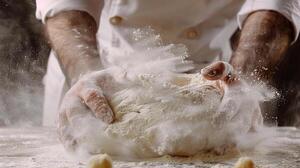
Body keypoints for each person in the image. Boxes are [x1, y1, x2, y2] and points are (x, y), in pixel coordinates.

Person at [35, 0, 300, 127]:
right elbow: (66, 7)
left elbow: (274, 6)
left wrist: (241, 78)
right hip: (98, 64)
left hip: (209, 75)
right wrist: (86, 75)